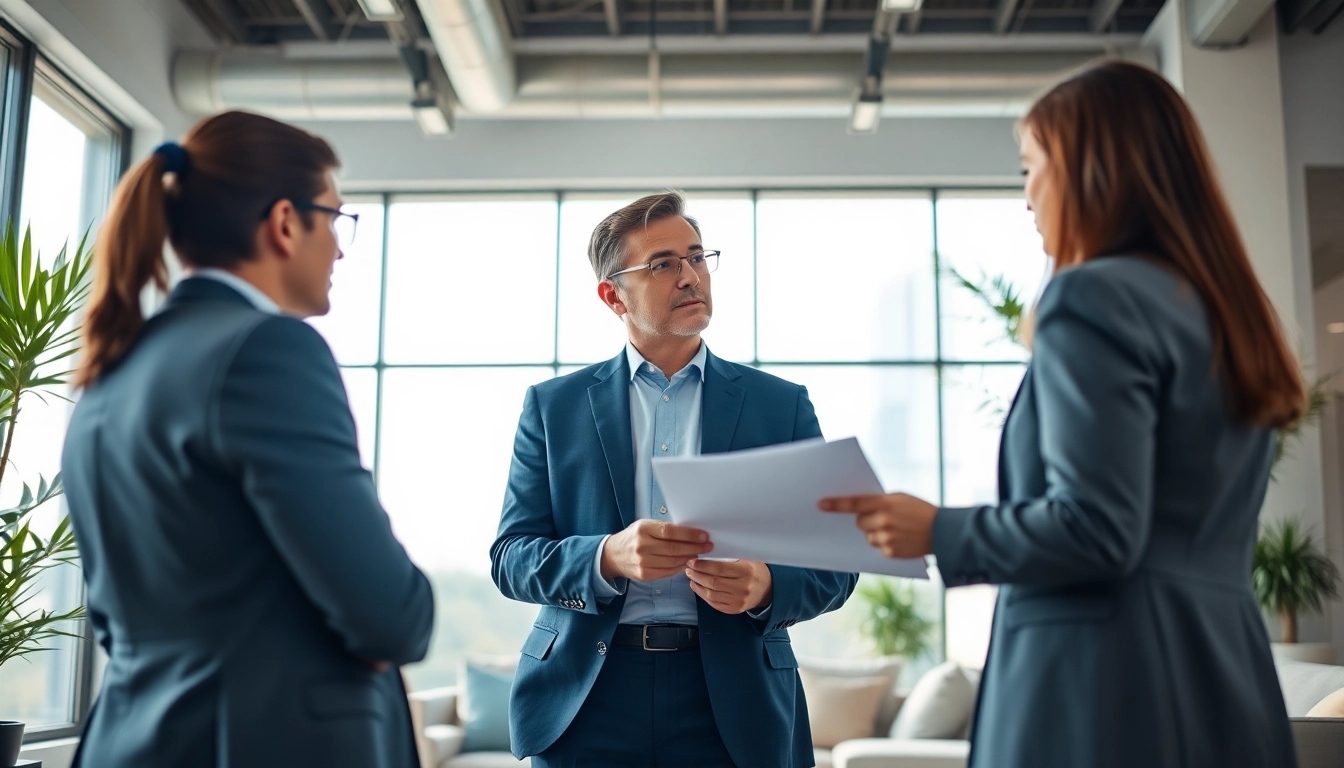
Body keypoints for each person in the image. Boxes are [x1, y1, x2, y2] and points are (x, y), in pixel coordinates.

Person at [821, 60, 1303, 768]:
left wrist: (936, 529)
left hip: (1105, 687)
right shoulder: (1226, 312)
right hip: (1221, 671)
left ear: (1091, 171)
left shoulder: (1093, 299)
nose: (1026, 199)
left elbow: (1100, 527)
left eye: (1029, 170)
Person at [61, 111, 434, 768]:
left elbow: (126, 618)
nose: (342, 248)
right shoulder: (269, 350)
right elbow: (391, 616)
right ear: (286, 222)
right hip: (261, 743)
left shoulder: (109, 370)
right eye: (335, 218)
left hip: (132, 741)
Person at [491, 192, 857, 768]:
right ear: (613, 295)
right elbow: (511, 557)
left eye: (697, 257)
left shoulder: (779, 407)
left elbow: (836, 560)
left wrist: (765, 586)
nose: (690, 277)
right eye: (663, 264)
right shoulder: (552, 408)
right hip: (588, 696)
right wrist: (606, 556)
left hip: (732, 701)